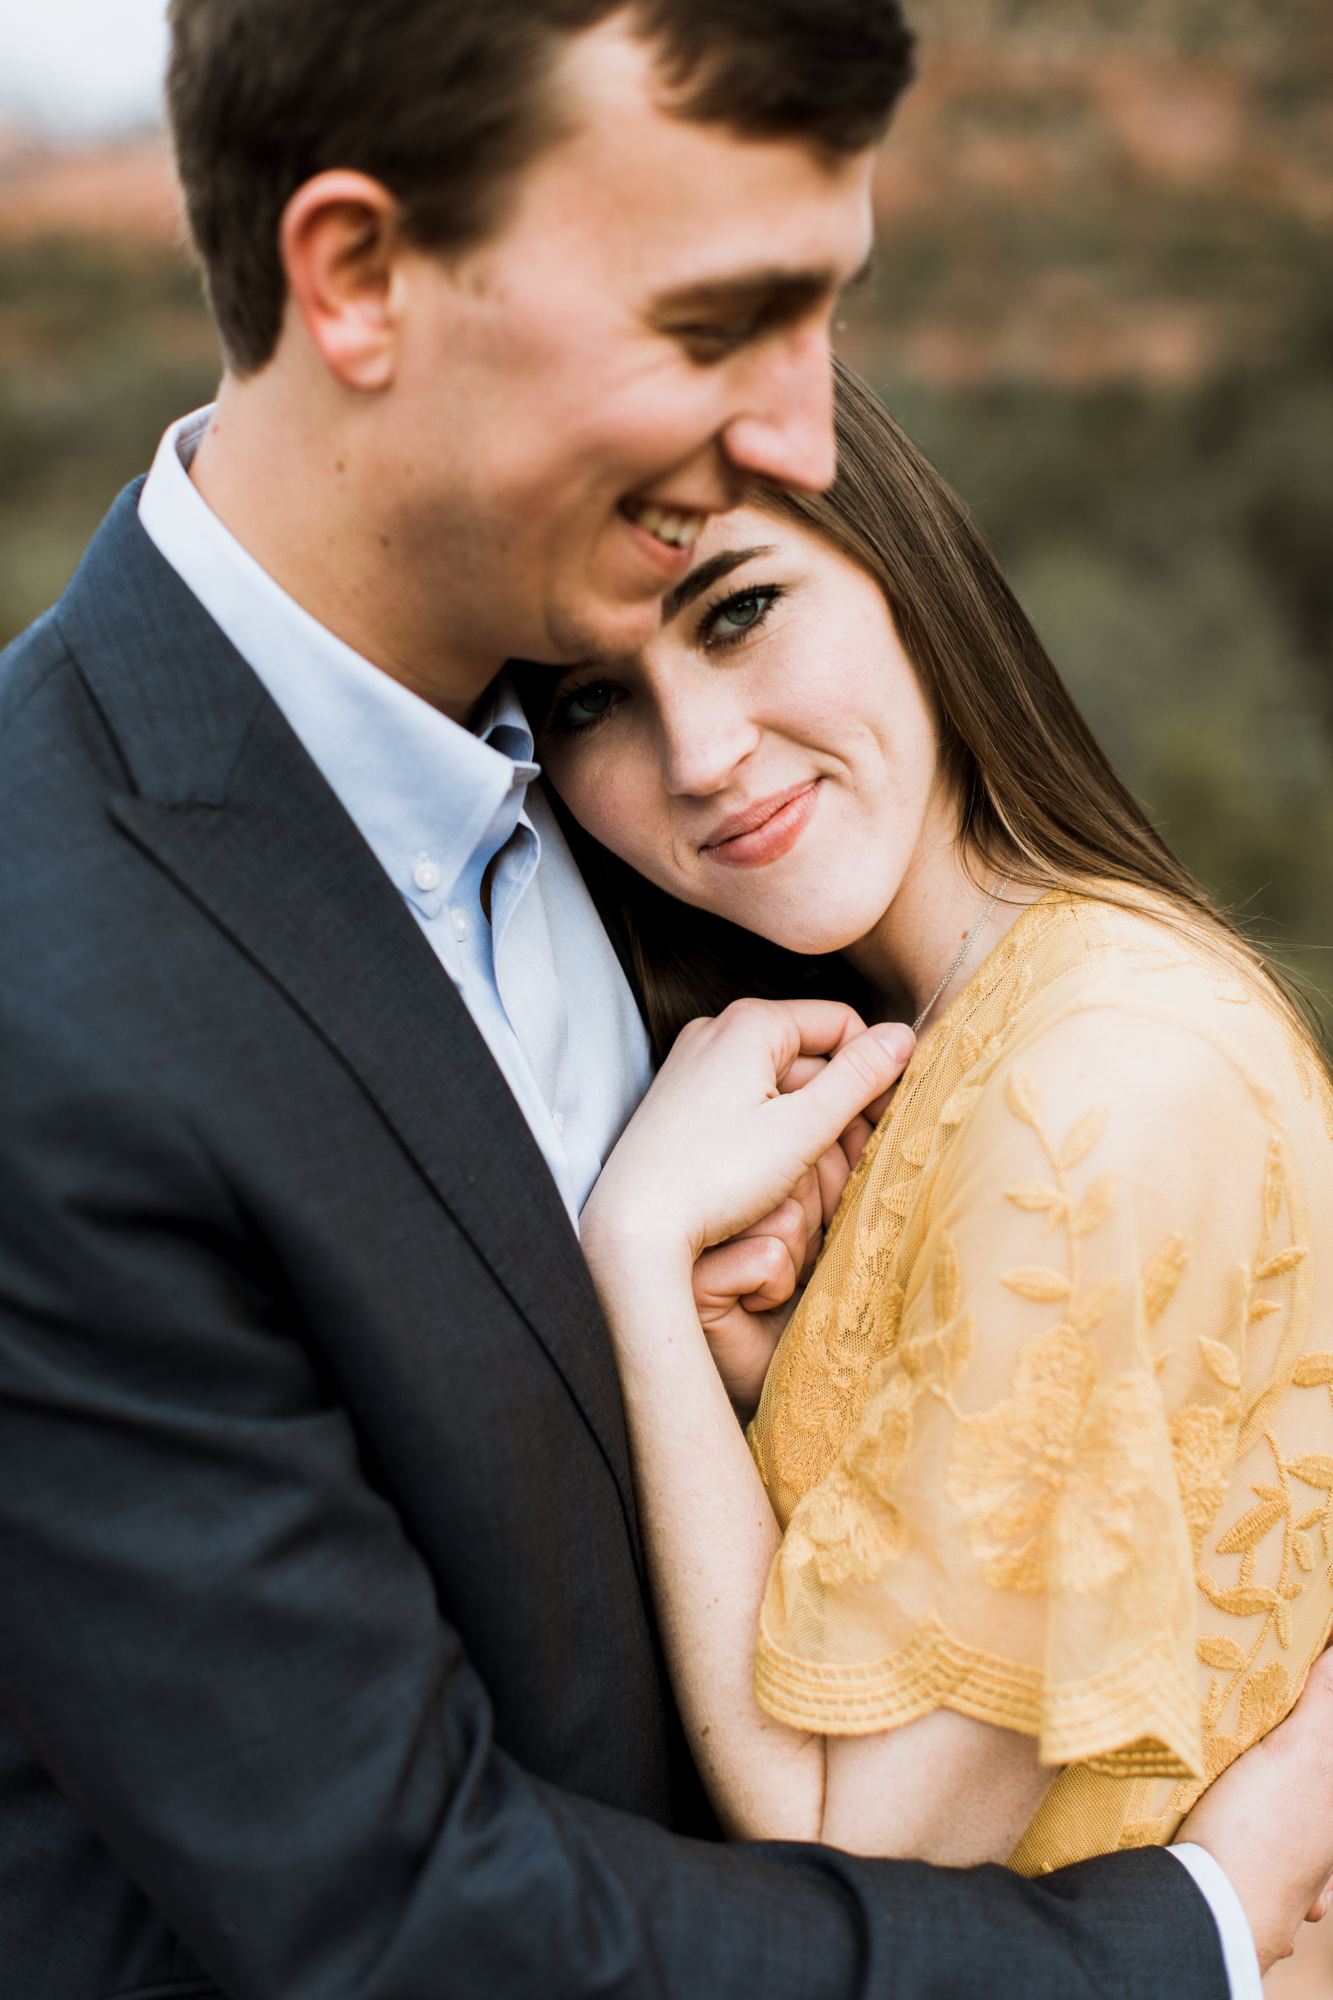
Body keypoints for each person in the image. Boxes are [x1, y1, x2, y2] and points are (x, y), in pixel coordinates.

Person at [0, 2, 1327, 1995]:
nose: (803, 431)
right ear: (356, 278)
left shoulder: (669, 842)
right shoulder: (60, 968)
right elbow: (405, 1915)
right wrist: (1193, 1934)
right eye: (711, 320)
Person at [536, 356, 1333, 1884]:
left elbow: (861, 1854)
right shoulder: (960, 1043)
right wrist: (769, 1380)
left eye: (738, 609)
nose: (699, 756)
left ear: (898, 571)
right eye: (587, 700)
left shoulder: (1096, 1081)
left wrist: (632, 1259)